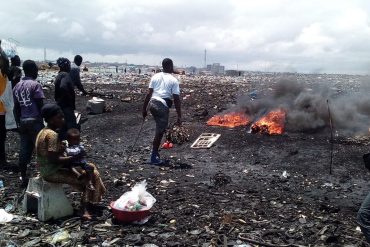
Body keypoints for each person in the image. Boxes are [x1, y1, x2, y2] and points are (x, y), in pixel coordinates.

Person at [35, 104, 106, 220]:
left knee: (91, 167)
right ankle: (84, 210)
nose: (63, 120)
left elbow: (48, 153)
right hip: (51, 171)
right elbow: (54, 159)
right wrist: (76, 157)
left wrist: (62, 149)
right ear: (52, 119)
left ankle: (93, 198)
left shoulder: (43, 131)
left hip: (45, 168)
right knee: (87, 179)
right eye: (60, 118)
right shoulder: (52, 135)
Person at [142, 58, 182, 164]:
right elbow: (176, 99)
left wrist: (144, 109)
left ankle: (156, 153)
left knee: (161, 128)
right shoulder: (174, 80)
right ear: (170, 66)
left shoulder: (155, 76)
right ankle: (154, 157)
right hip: (162, 106)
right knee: (159, 132)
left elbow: (149, 93)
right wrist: (179, 115)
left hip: (152, 103)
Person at [13, 60, 44, 187]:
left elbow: (16, 108)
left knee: (24, 149)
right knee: (40, 149)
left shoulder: (17, 86)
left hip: (23, 120)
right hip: (35, 120)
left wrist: (18, 123)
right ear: (32, 70)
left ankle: (23, 176)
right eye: (36, 70)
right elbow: (40, 104)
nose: (37, 72)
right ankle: (42, 175)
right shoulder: (35, 85)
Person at [54, 57, 78, 140]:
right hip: (66, 106)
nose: (70, 67)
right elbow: (63, 87)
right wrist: (68, 98)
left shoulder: (59, 75)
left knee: (63, 127)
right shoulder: (65, 75)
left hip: (60, 105)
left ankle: (63, 146)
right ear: (65, 66)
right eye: (68, 65)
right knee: (72, 127)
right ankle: (73, 148)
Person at [0, 43, 9, 167]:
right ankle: (2, 161)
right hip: (0, 110)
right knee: (1, 137)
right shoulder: (2, 74)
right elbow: (6, 60)